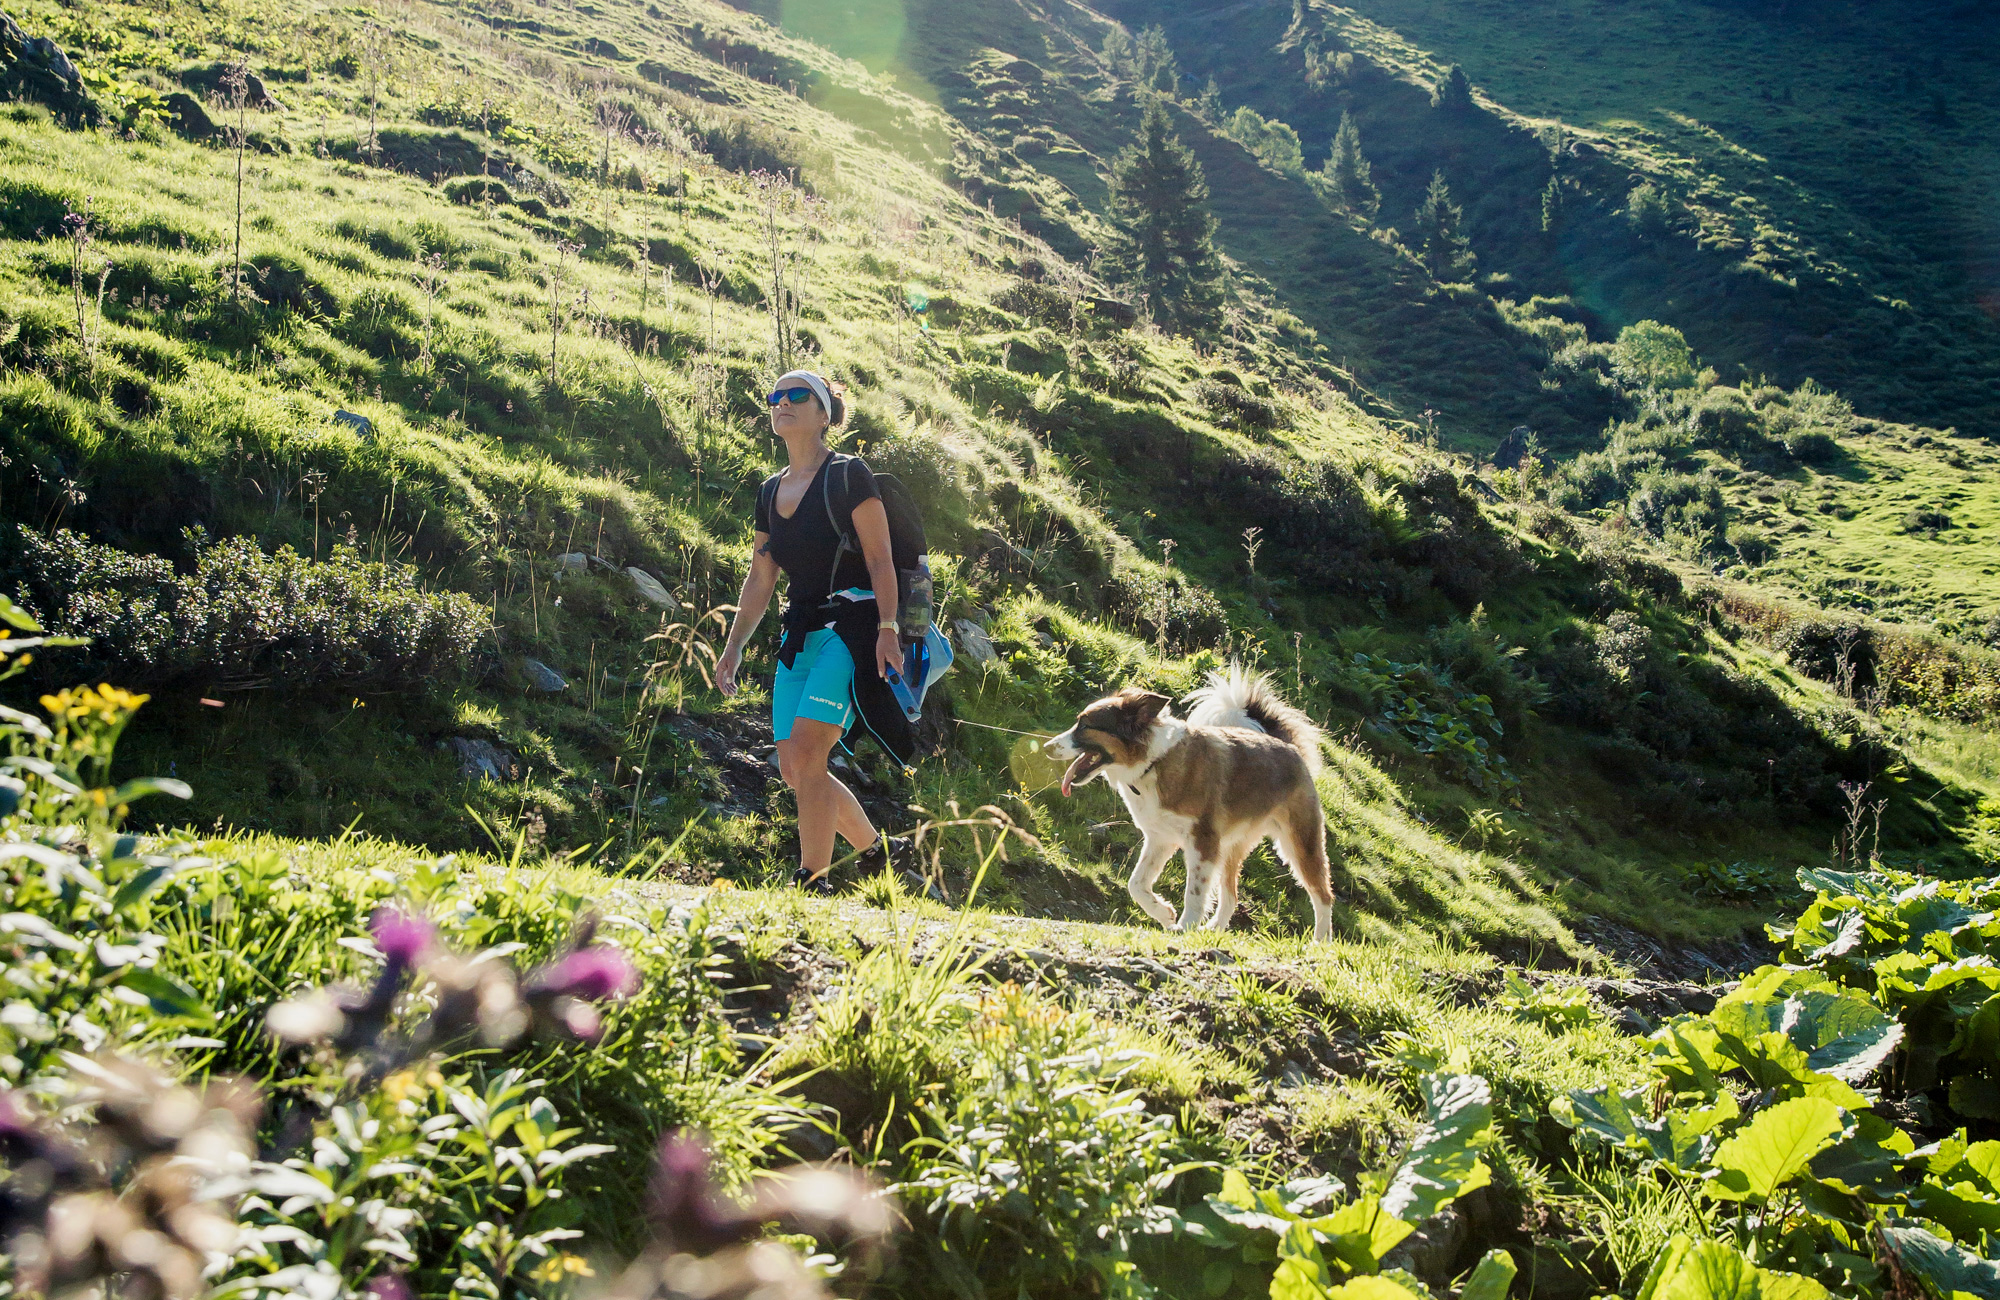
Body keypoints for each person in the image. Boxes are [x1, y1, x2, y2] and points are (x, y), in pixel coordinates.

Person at [715, 370, 910, 890]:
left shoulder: (849, 475)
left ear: (824, 413)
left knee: (808, 753)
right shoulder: (768, 490)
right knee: (796, 769)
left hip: (851, 628)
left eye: (797, 395)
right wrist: (733, 646)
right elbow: (761, 577)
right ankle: (878, 851)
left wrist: (888, 628)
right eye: (775, 396)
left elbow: (880, 557)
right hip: (799, 632)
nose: (782, 402)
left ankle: (812, 880)